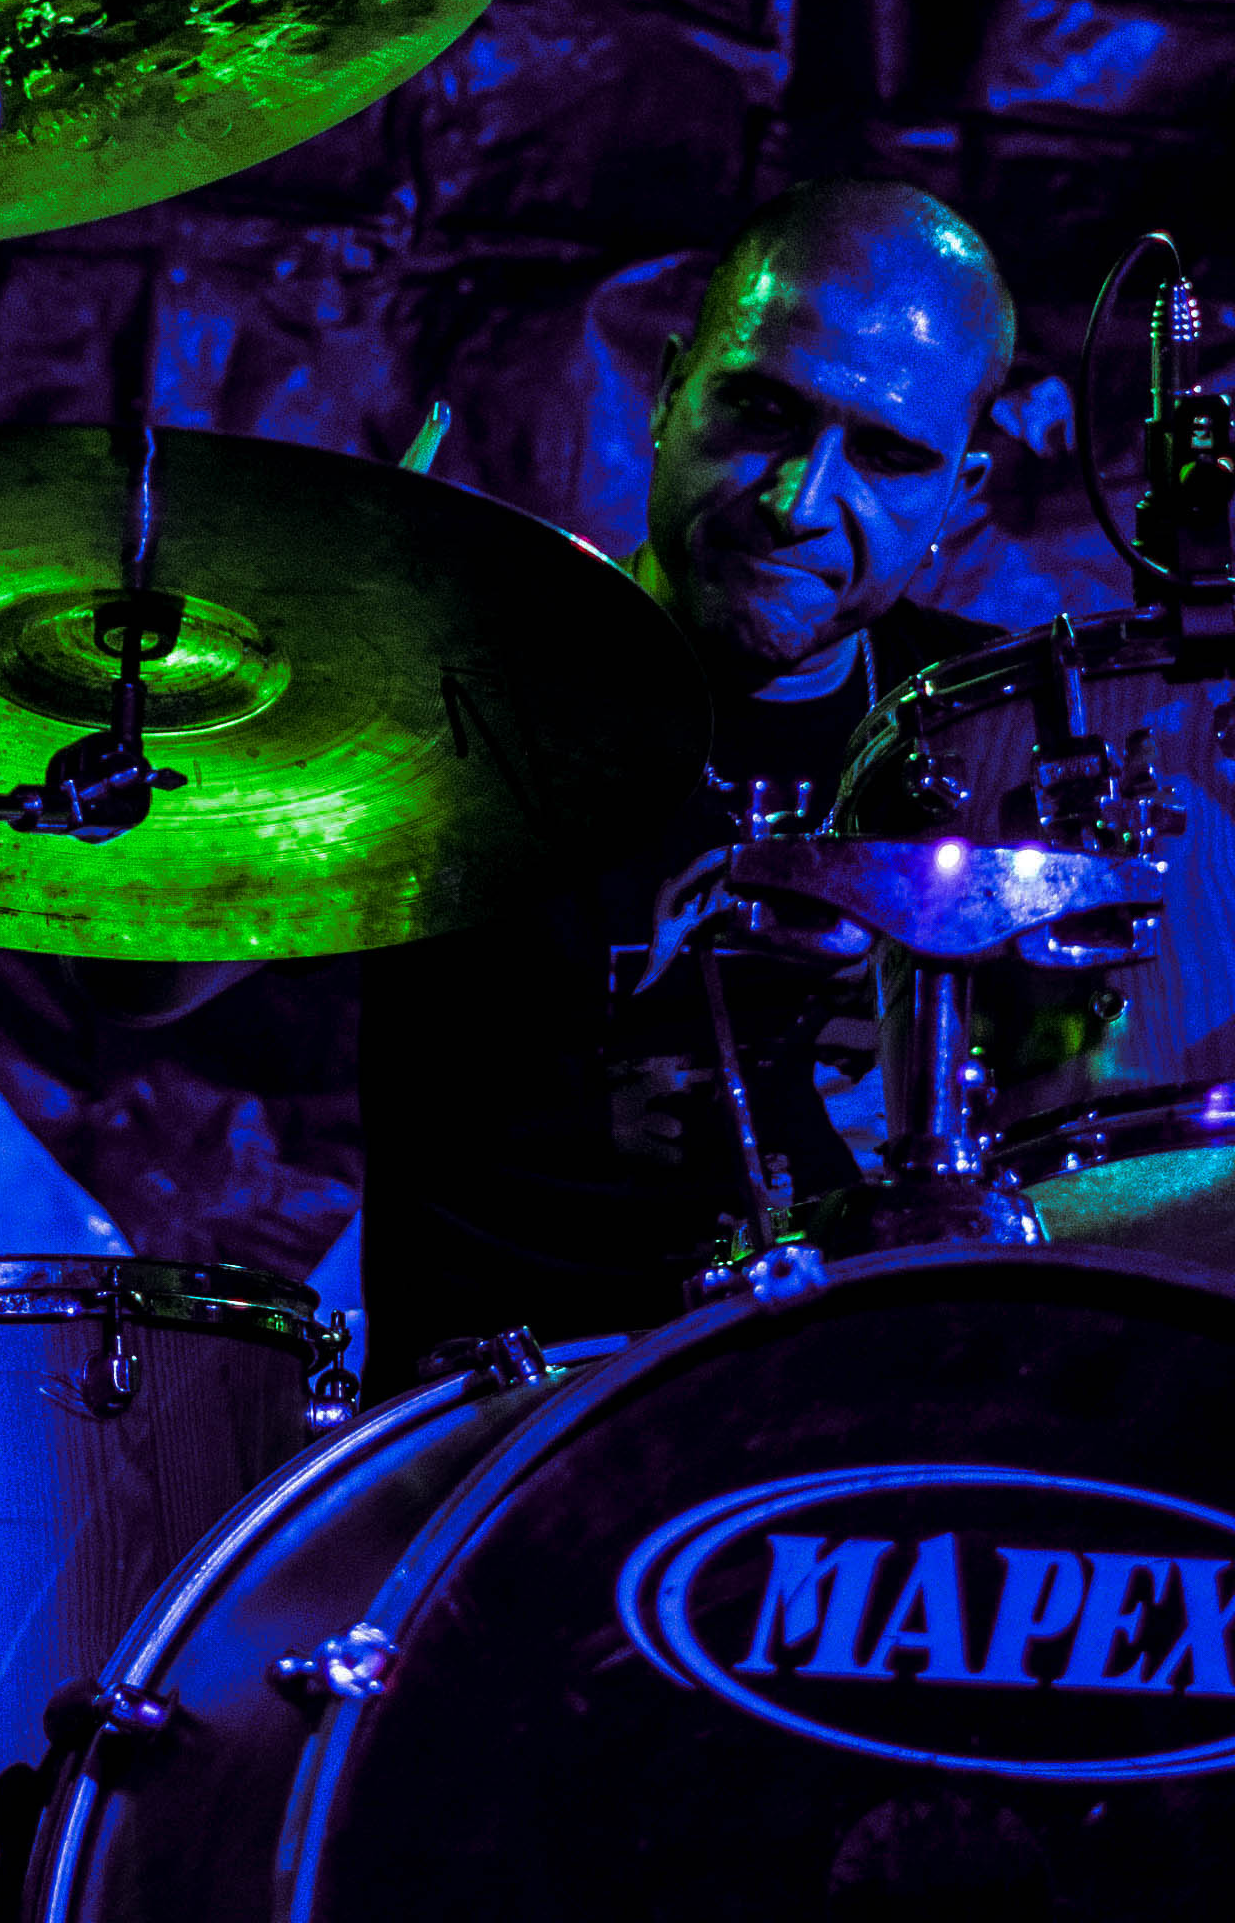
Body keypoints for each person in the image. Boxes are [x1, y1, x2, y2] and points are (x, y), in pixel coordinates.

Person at [345, 179, 1024, 1365]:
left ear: (960, 493)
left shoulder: (1001, 729)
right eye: (761, 410)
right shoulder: (464, 680)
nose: (801, 501)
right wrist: (327, 677)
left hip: (883, 1428)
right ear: (668, 393)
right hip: (503, 1436)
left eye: (888, 455)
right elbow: (141, 991)